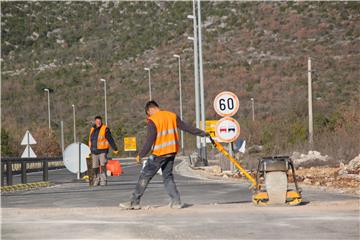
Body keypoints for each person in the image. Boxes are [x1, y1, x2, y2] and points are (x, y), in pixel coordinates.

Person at [119, 101, 208, 210]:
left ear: (149, 110)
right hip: (171, 152)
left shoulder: (153, 120)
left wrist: (140, 154)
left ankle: (134, 202)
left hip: (159, 153)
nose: (149, 116)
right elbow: (187, 128)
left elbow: (149, 140)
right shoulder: (172, 116)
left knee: (145, 176)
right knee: (167, 176)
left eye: (148, 114)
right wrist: (202, 133)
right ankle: (176, 201)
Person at [88, 116, 118, 186]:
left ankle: (103, 180)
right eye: (97, 121)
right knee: (95, 166)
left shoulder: (105, 129)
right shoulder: (92, 129)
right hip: (94, 151)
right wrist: (90, 149)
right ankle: (97, 179)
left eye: (99, 121)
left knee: (103, 164)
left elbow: (110, 139)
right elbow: (90, 140)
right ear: (95, 122)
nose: (98, 122)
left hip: (102, 150)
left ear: (101, 121)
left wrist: (115, 148)